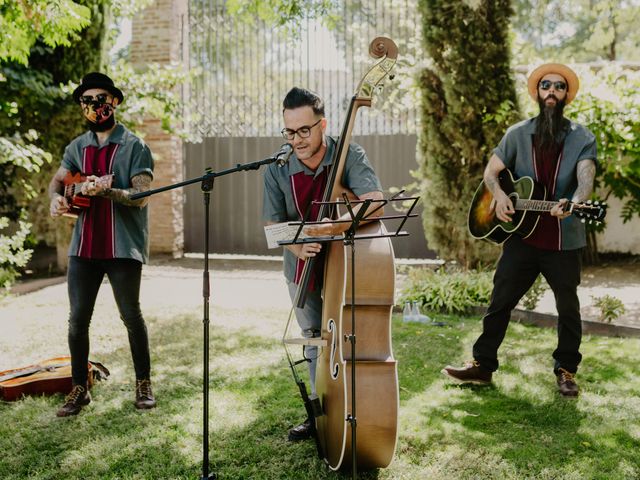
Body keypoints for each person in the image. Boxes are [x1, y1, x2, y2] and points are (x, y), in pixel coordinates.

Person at [442, 63, 597, 397]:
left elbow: (586, 177)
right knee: (499, 302)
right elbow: (491, 173)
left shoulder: (582, 137)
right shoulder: (516, 134)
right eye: (546, 86)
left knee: (568, 308)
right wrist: (498, 195)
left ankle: (566, 371)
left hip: (562, 240)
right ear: (537, 93)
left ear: (566, 94)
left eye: (558, 86)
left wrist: (573, 201)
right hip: (522, 239)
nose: (552, 91)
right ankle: (482, 367)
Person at [262, 87, 384, 440]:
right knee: (315, 340)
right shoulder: (277, 167)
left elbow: (375, 202)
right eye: (289, 131)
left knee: (352, 339)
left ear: (322, 124)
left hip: (347, 263)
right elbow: (272, 229)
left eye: (304, 130)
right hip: (300, 268)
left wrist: (333, 225)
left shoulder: (349, 153)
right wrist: (297, 246)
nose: (297, 139)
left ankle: (358, 409)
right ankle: (321, 418)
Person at [49, 72, 156, 416]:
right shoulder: (76, 148)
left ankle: (143, 383)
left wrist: (106, 190)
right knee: (77, 320)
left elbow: (141, 196)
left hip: (122, 247)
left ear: (115, 102)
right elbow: (57, 182)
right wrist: (56, 199)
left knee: (131, 316)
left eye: (101, 99)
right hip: (84, 248)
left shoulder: (135, 146)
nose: (95, 106)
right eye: (88, 101)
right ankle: (79, 388)